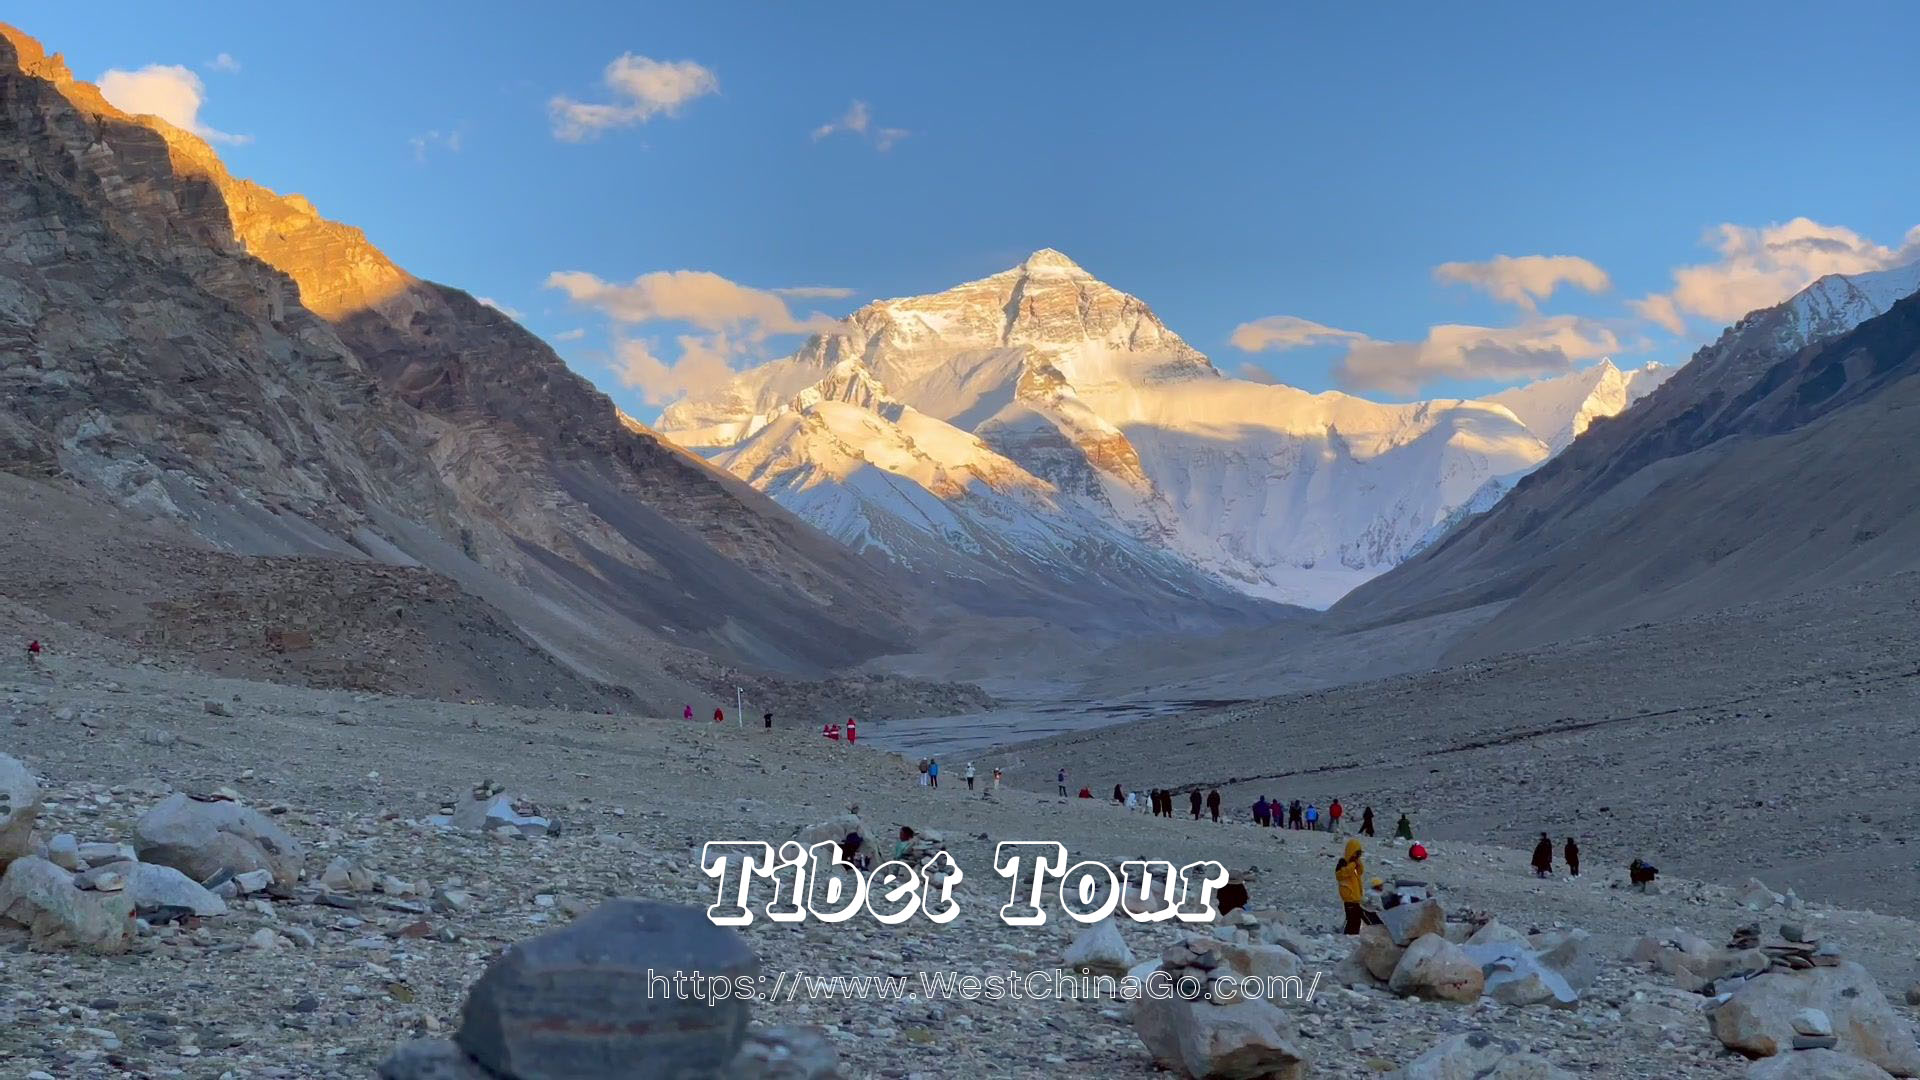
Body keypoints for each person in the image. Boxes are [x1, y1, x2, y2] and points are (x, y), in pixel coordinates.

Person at [1335, 839, 1367, 934]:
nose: (1358, 856)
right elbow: (1340, 875)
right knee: (1352, 920)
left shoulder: (1354, 865)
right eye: (1357, 854)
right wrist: (1352, 864)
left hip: (1355, 898)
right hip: (1349, 898)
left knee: (1357, 920)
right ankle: (1348, 936)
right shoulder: (1343, 863)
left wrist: (1358, 863)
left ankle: (1352, 935)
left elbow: (1360, 872)